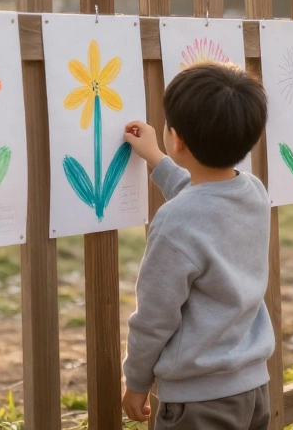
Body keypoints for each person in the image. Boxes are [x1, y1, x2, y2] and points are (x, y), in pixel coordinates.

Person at [119, 63, 275, 429]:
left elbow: (155, 317)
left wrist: (137, 382)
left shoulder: (176, 222)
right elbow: (204, 198)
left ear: (178, 138)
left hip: (200, 402)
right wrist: (156, 158)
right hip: (252, 389)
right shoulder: (252, 190)